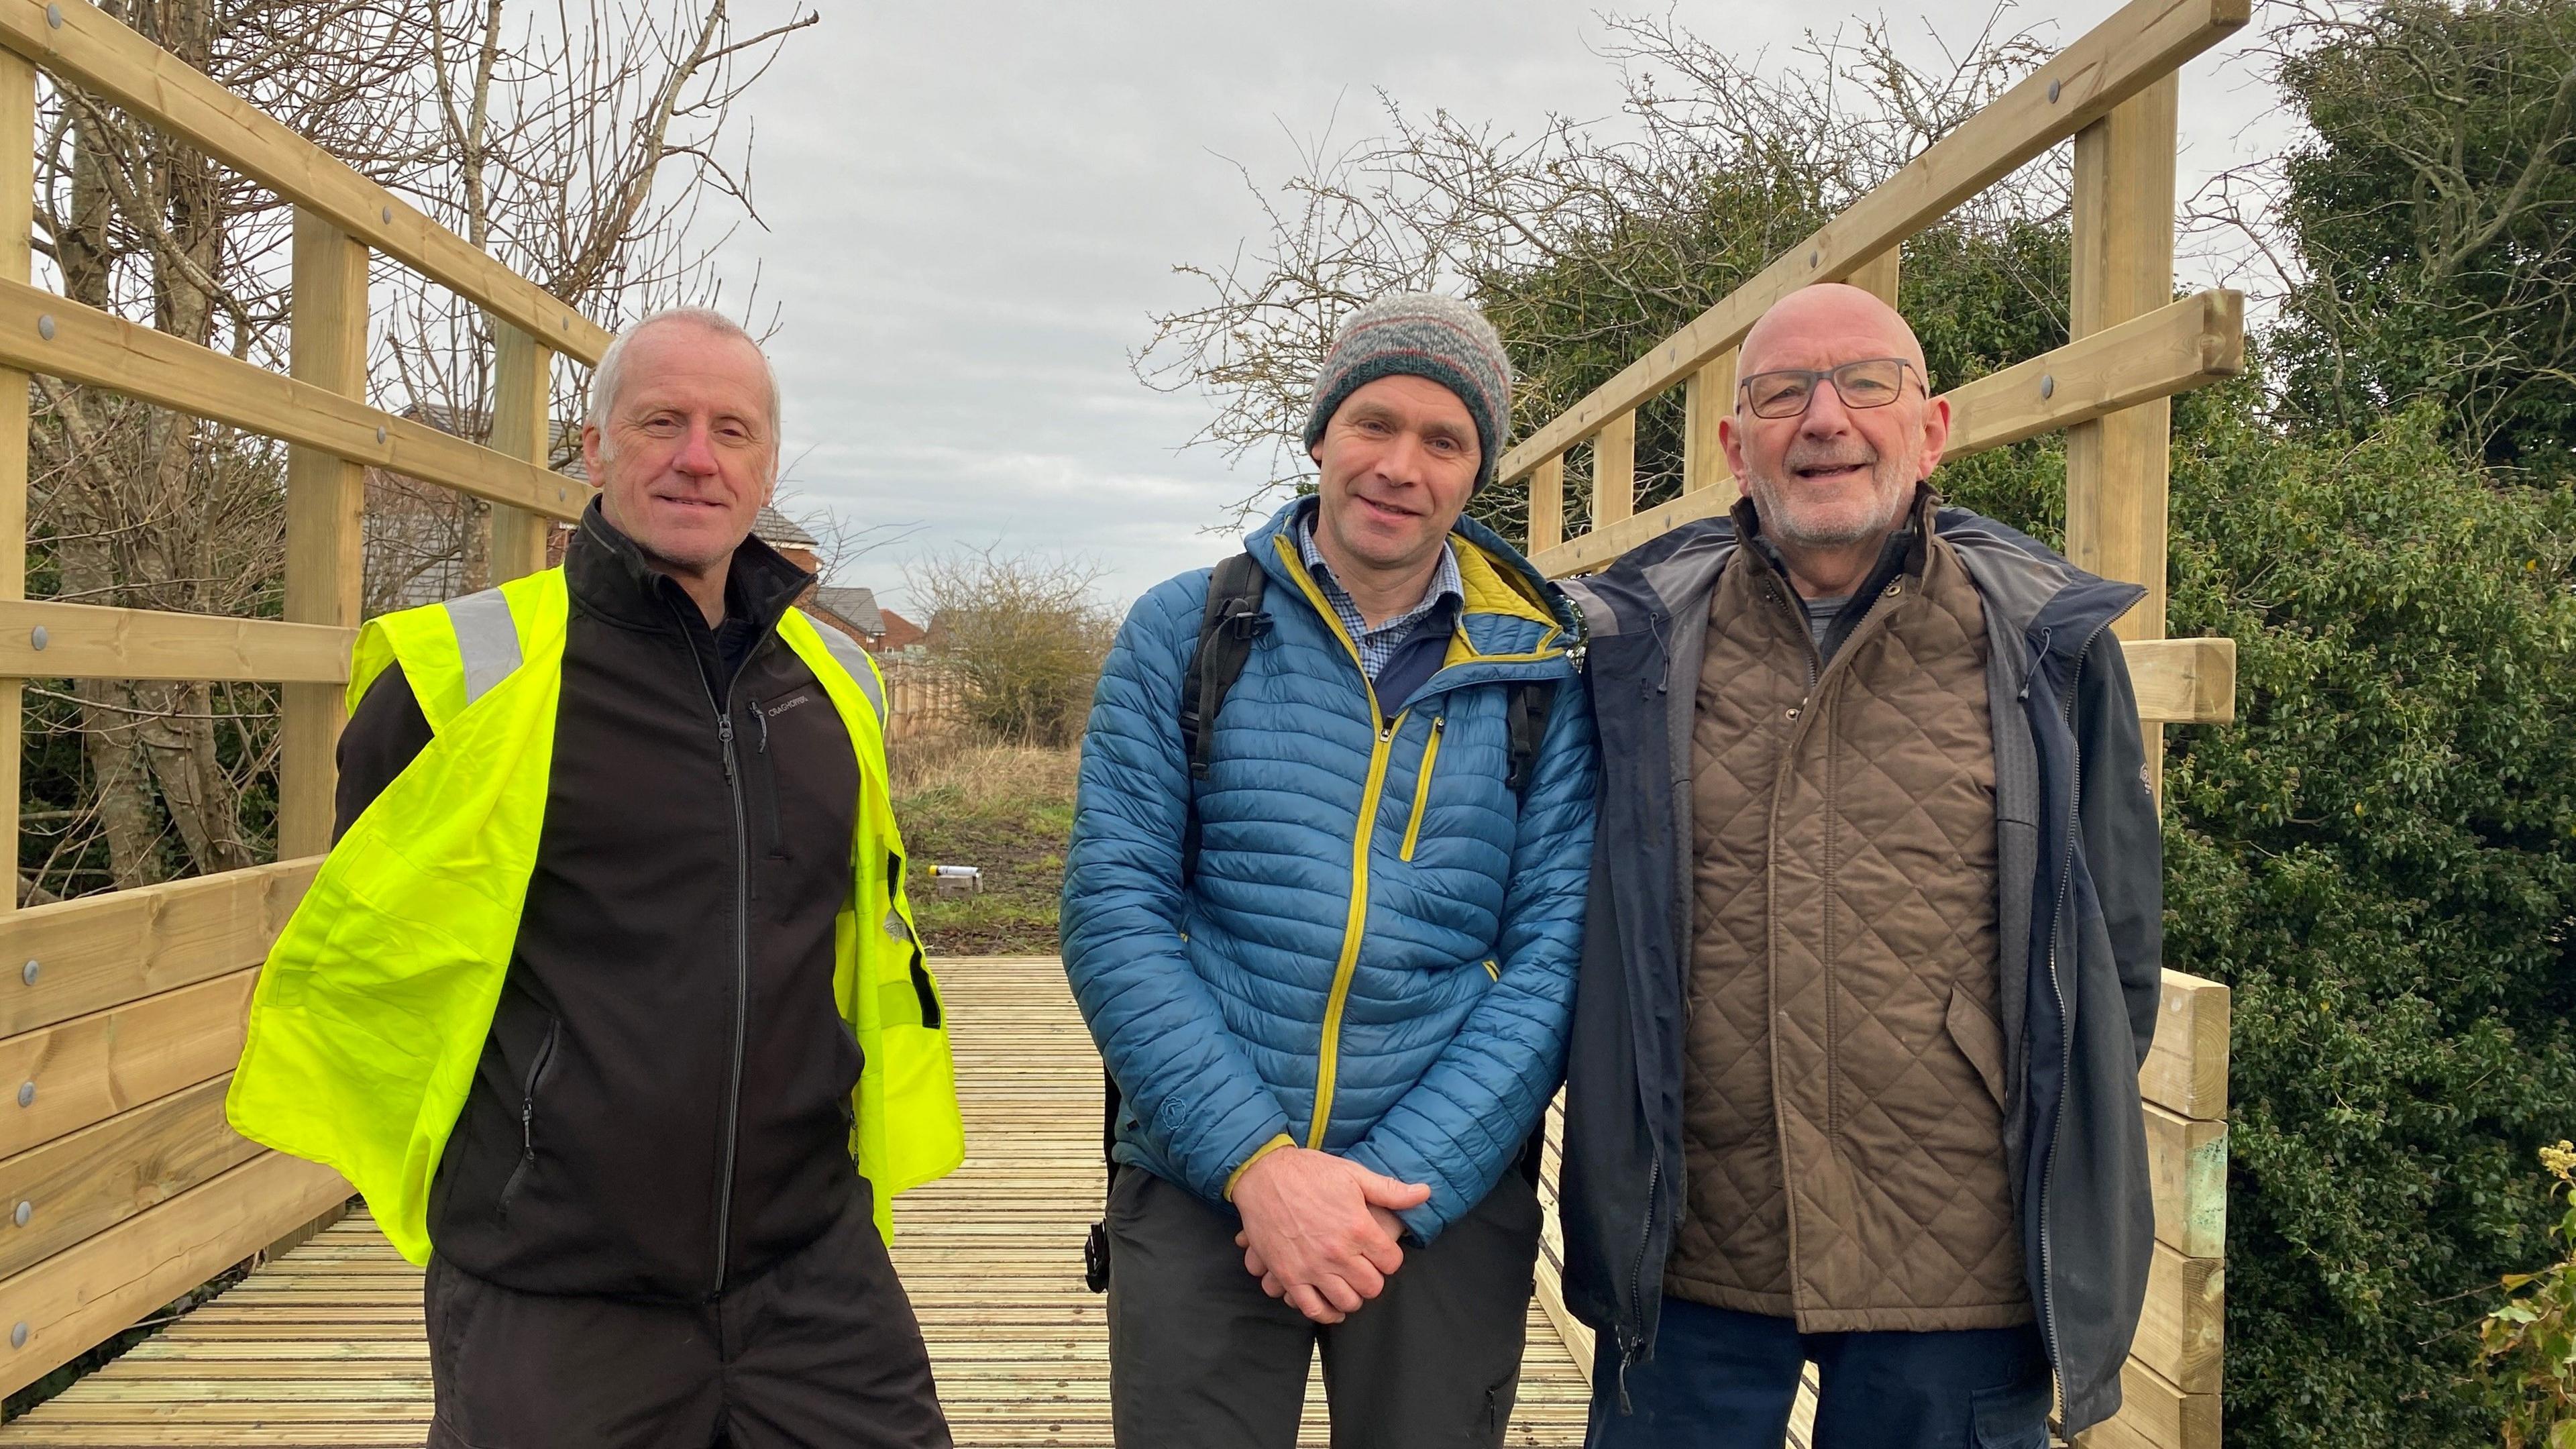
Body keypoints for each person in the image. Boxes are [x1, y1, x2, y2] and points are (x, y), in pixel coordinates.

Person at [227, 307, 963, 1449]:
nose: (696, 457)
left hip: (813, 1271)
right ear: (595, 446)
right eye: (661, 420)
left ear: (767, 466)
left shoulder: (840, 683)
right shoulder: (456, 678)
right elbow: (377, 952)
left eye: (733, 430)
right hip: (555, 1291)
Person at [1555, 283, 2163, 1448]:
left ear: (1930, 428)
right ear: (1737, 449)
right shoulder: (1631, 637)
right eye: (1782, 393)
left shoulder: (2048, 640)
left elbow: (2116, 953)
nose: (1823, 417)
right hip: (1694, 1250)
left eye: (1865, 383)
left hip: (1959, 1258)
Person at [1063, 293, 1597, 1448]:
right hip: (1204, 1171)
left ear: (1476, 475)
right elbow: (1115, 913)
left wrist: (1388, 1187)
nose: (1401, 466)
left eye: (1443, 440)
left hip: (1432, 1201)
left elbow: (1558, 955)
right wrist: (1260, 1168)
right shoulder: (1185, 630)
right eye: (1374, 424)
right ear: (1319, 438)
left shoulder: (1543, 673)